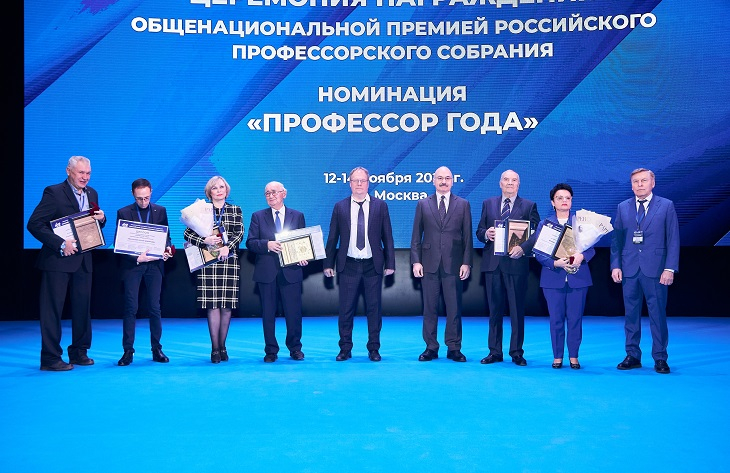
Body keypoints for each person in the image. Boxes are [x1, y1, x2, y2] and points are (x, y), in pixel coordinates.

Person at [26, 156, 107, 371]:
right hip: (57, 261)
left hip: (84, 261)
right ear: (68, 171)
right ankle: (50, 358)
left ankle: (79, 352)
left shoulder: (92, 193)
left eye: (88, 173)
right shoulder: (53, 192)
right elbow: (34, 224)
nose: (85, 177)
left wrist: (101, 219)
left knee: (82, 309)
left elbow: (91, 224)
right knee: (52, 311)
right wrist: (61, 244)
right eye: (81, 173)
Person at [611, 168, 679, 374]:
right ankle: (632, 355)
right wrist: (615, 265)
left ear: (652, 183)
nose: (639, 184)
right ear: (631, 185)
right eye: (635, 181)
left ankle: (660, 357)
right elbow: (617, 240)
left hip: (656, 270)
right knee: (630, 314)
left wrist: (670, 268)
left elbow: (673, 239)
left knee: (657, 314)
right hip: (629, 269)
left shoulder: (666, 205)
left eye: (643, 181)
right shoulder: (622, 207)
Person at [324, 167, 395, 362]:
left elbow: (387, 236)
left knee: (374, 310)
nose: (359, 184)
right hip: (348, 265)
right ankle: (345, 348)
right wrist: (328, 263)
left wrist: (390, 263)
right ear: (350, 183)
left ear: (368, 183)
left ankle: (374, 349)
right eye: (355, 180)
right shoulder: (340, 207)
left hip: (373, 265)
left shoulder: (381, 206)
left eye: (362, 180)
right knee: (346, 310)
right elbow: (333, 237)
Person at [476, 169, 540, 366]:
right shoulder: (488, 203)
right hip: (493, 264)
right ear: (500, 183)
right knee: (494, 311)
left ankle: (516, 352)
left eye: (514, 180)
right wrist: (486, 234)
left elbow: (536, 233)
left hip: (516, 264)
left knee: (516, 311)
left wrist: (523, 248)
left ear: (518, 184)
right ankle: (494, 351)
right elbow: (479, 231)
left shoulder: (529, 205)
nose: (510, 183)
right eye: (506, 179)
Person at [411, 166, 473, 362]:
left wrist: (466, 263)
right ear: (433, 181)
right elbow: (416, 236)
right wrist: (416, 261)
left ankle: (454, 347)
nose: (443, 181)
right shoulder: (423, 204)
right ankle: (431, 347)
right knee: (429, 308)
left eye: (447, 178)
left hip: (454, 264)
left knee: (454, 308)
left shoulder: (463, 204)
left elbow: (468, 237)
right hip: (428, 264)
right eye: (440, 178)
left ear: (452, 181)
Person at [184, 176, 244, 363]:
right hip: (208, 262)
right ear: (209, 192)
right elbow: (187, 233)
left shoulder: (235, 209)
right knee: (212, 306)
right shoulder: (202, 210)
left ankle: (223, 346)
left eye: (222, 187)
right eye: (215, 188)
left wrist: (228, 247)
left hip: (228, 261)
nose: (219, 190)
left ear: (227, 190)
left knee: (226, 306)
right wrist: (205, 240)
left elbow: (239, 232)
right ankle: (215, 348)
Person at [533, 183, 594, 369]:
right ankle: (557, 356)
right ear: (553, 202)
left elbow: (591, 249)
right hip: (553, 279)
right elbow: (539, 252)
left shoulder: (581, 224)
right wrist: (554, 263)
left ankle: (574, 356)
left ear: (571, 201)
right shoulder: (545, 224)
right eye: (559, 198)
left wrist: (582, 256)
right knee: (556, 319)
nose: (564, 201)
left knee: (576, 319)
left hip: (579, 279)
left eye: (567, 198)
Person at [246, 181, 308, 363]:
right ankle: (270, 350)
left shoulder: (298, 216)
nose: (270, 195)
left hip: (292, 271)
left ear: (284, 193)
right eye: (267, 193)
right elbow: (250, 242)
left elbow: (303, 242)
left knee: (294, 313)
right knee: (268, 313)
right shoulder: (257, 216)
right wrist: (267, 244)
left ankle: (295, 348)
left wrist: (304, 256)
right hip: (267, 272)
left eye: (274, 192)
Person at [115, 179, 174, 366]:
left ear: (151, 192)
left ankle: (157, 349)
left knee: (155, 308)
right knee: (131, 308)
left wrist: (167, 249)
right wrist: (137, 258)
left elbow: (166, 236)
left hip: (155, 266)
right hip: (133, 266)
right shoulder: (124, 212)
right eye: (139, 198)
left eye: (146, 198)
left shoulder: (160, 211)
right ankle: (128, 351)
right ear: (133, 194)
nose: (143, 202)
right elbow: (119, 243)